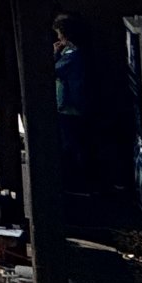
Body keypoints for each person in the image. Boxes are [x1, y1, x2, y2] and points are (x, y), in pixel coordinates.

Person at [54, 12, 91, 191]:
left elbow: (55, 70)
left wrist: (55, 54)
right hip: (71, 104)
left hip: (70, 106)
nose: (58, 37)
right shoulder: (75, 52)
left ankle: (75, 182)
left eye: (59, 33)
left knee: (70, 144)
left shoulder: (72, 55)